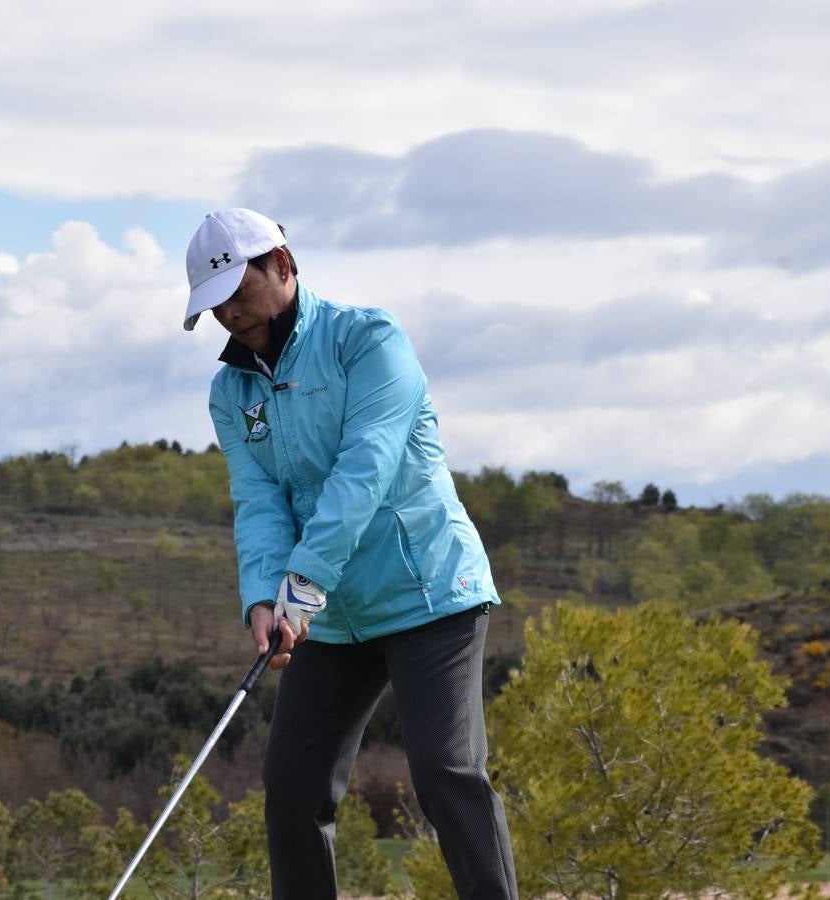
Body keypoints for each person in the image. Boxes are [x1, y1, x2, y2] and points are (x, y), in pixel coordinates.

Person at [182, 208, 518, 899]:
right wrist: (261, 599)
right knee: (293, 785)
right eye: (214, 309)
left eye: (238, 296)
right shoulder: (231, 390)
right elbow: (260, 501)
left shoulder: (368, 340)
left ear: (282, 265)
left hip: (429, 590)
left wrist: (300, 587)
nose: (231, 318)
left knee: (443, 769)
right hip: (332, 614)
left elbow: (364, 472)